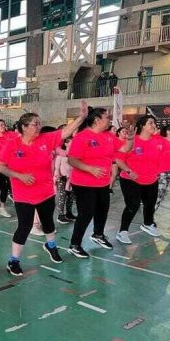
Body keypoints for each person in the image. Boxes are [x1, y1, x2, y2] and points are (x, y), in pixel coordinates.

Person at [0, 101, 88, 276]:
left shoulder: (45, 139)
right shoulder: (12, 144)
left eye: (40, 123)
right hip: (23, 195)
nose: (39, 126)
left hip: (45, 192)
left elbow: (65, 132)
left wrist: (81, 118)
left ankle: (51, 245)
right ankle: (13, 261)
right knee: (24, 227)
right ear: (24, 127)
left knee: (48, 222)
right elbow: (1, 167)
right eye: (35, 124)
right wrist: (19, 176)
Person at [67, 107, 134, 258]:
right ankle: (74, 245)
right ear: (97, 120)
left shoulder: (109, 136)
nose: (110, 120)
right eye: (107, 117)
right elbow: (72, 160)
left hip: (102, 183)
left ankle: (98, 234)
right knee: (86, 213)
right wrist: (90, 169)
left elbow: (125, 149)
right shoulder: (82, 137)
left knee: (102, 210)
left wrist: (130, 138)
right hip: (83, 183)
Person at [115, 116, 170, 244]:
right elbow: (118, 159)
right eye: (150, 123)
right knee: (133, 206)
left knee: (150, 204)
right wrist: (129, 171)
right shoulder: (132, 140)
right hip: (131, 179)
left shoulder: (159, 140)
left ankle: (147, 224)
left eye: (154, 123)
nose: (154, 125)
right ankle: (122, 232)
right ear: (142, 126)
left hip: (151, 179)